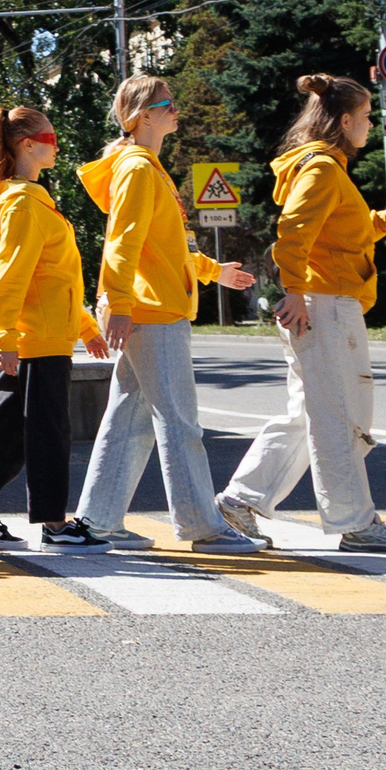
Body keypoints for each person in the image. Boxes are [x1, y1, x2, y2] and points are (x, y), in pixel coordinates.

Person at [216, 76, 386, 553]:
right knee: (343, 416)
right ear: (345, 120)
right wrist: (295, 292)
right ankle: (356, 522)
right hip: (325, 304)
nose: (370, 124)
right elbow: (293, 232)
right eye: (367, 116)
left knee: (309, 412)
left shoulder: (324, 167)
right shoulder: (323, 169)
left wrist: (379, 221)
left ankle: (240, 500)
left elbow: (332, 232)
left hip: (323, 299)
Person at [69, 77, 263, 553]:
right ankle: (203, 525)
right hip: (150, 309)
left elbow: (167, 247)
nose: (175, 109)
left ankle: (97, 522)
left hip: (148, 304)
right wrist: (118, 302)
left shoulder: (150, 168)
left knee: (128, 419)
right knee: (178, 421)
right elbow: (123, 242)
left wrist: (214, 272)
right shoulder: (137, 169)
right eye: (166, 103)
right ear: (142, 116)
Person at [0, 107, 109, 548]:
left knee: (8, 432)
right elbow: (11, 275)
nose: (56, 143)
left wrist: (83, 326)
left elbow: (52, 277)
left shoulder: (30, 199)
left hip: (41, 334)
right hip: (36, 340)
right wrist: (3, 336)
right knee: (47, 434)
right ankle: (55, 524)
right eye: (50, 135)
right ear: (26, 144)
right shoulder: (24, 203)